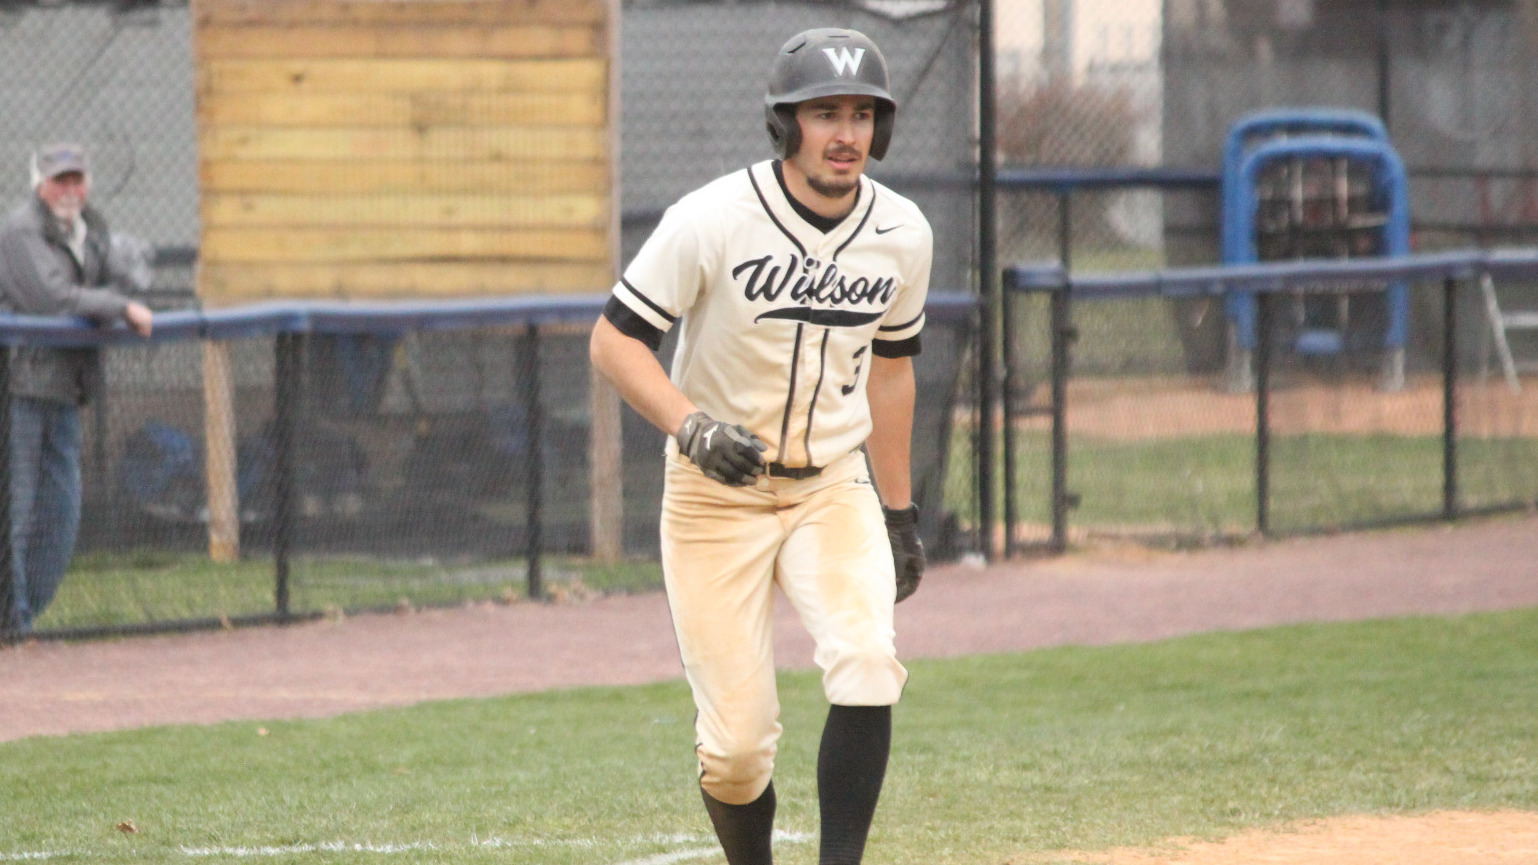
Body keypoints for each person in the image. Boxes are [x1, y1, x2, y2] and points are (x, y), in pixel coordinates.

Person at [589, 28, 930, 865]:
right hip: (716, 495)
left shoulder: (902, 233)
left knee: (866, 659)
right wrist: (691, 426)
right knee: (737, 753)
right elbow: (614, 341)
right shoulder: (710, 219)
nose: (845, 133)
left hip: (830, 487)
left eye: (862, 115)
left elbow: (891, 372)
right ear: (787, 124)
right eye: (824, 114)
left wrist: (898, 509)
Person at [0, 142, 153, 634]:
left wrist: (125, 286)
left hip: (65, 388)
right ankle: (12, 621)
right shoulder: (19, 231)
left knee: (62, 516)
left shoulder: (91, 226)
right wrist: (118, 305)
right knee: (15, 508)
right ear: (39, 185)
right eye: (58, 180)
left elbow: (123, 274)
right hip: (18, 388)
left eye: (76, 179)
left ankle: (21, 616)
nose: (68, 189)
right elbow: (50, 299)